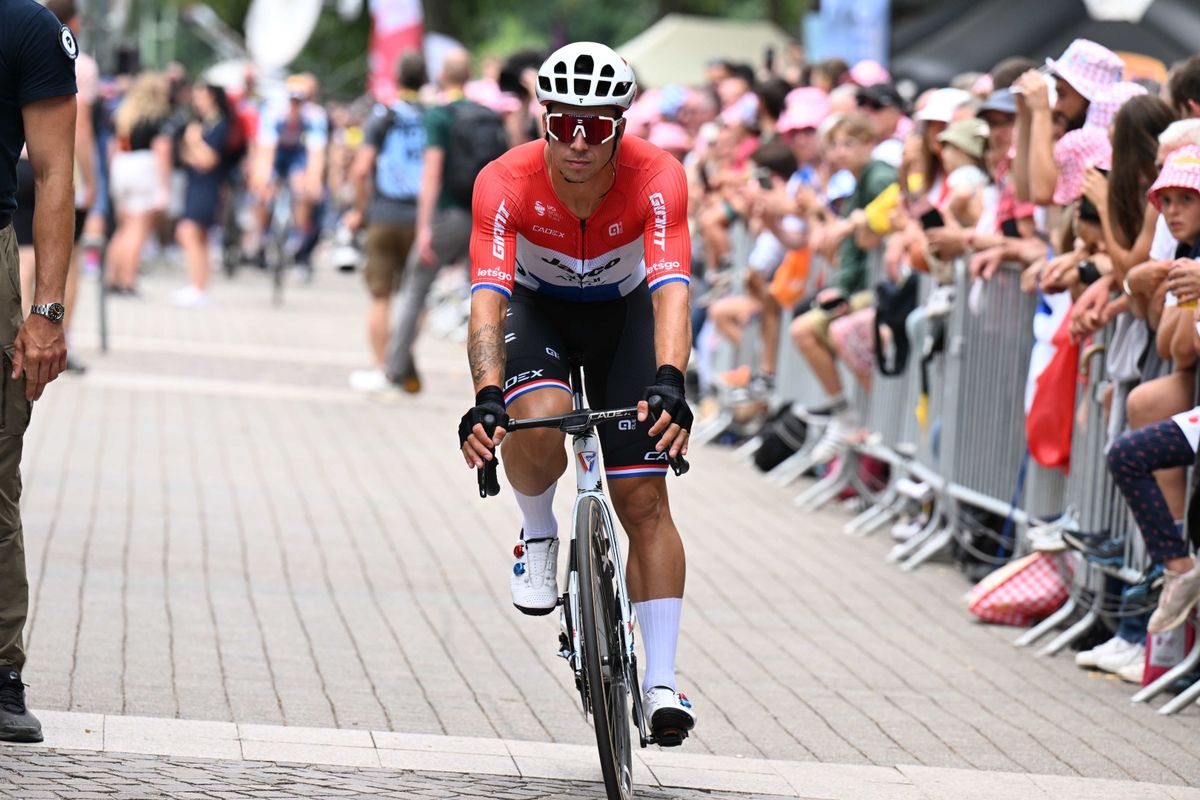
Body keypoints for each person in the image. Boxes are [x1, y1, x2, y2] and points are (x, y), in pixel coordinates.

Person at [457, 42, 697, 742]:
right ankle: (537, 531)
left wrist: (671, 380)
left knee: (645, 498)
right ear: (543, 121)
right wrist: (486, 394)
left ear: (621, 124)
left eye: (597, 124)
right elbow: (487, 301)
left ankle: (660, 684)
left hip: (623, 317)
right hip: (538, 311)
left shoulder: (659, 176)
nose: (580, 142)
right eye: (564, 123)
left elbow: (672, 290)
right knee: (535, 421)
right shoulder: (503, 182)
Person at [0, 0, 76, 743]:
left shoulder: (27, 26)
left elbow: (55, 173)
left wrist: (46, 311)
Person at [385, 49, 506, 393]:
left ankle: (393, 371)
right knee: (489, 297)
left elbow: (431, 174)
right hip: (484, 216)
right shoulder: (487, 115)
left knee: (415, 288)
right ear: (468, 76)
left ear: (442, 75)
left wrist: (424, 227)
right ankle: (500, 381)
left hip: (449, 214)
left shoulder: (439, 116)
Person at [347, 51, 427, 393]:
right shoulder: (434, 116)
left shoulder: (384, 115)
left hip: (384, 214)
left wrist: (359, 210)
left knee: (381, 297)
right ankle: (401, 357)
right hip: (423, 217)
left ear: (397, 78)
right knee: (416, 296)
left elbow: (362, 168)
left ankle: (382, 369)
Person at [172, 82, 232, 308]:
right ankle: (199, 285)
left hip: (208, 186)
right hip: (196, 182)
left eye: (201, 96)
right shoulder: (202, 123)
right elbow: (188, 158)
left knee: (189, 232)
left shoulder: (218, 124)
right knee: (199, 236)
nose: (196, 101)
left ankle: (198, 287)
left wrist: (194, 142)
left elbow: (209, 160)